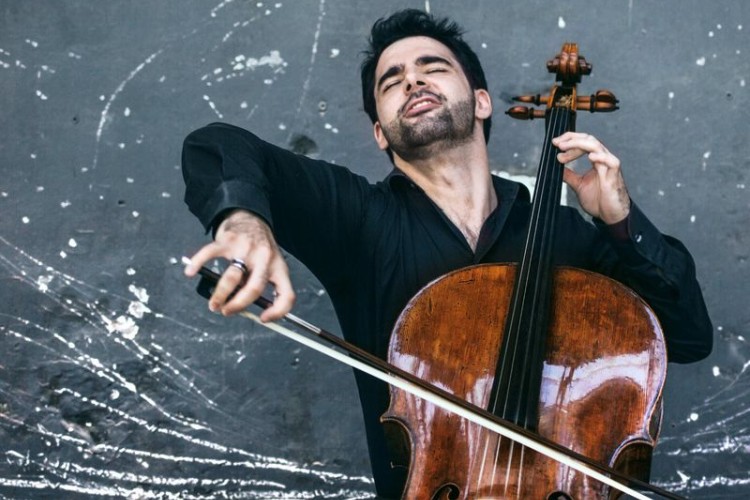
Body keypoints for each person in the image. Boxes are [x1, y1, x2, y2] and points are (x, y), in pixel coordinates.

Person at [181, 9, 713, 498]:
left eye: (432, 67)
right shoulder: (357, 220)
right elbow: (218, 143)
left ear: (481, 101)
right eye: (391, 81)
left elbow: (688, 335)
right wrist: (244, 220)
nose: (411, 80)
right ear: (380, 134)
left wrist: (619, 222)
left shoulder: (570, 236)